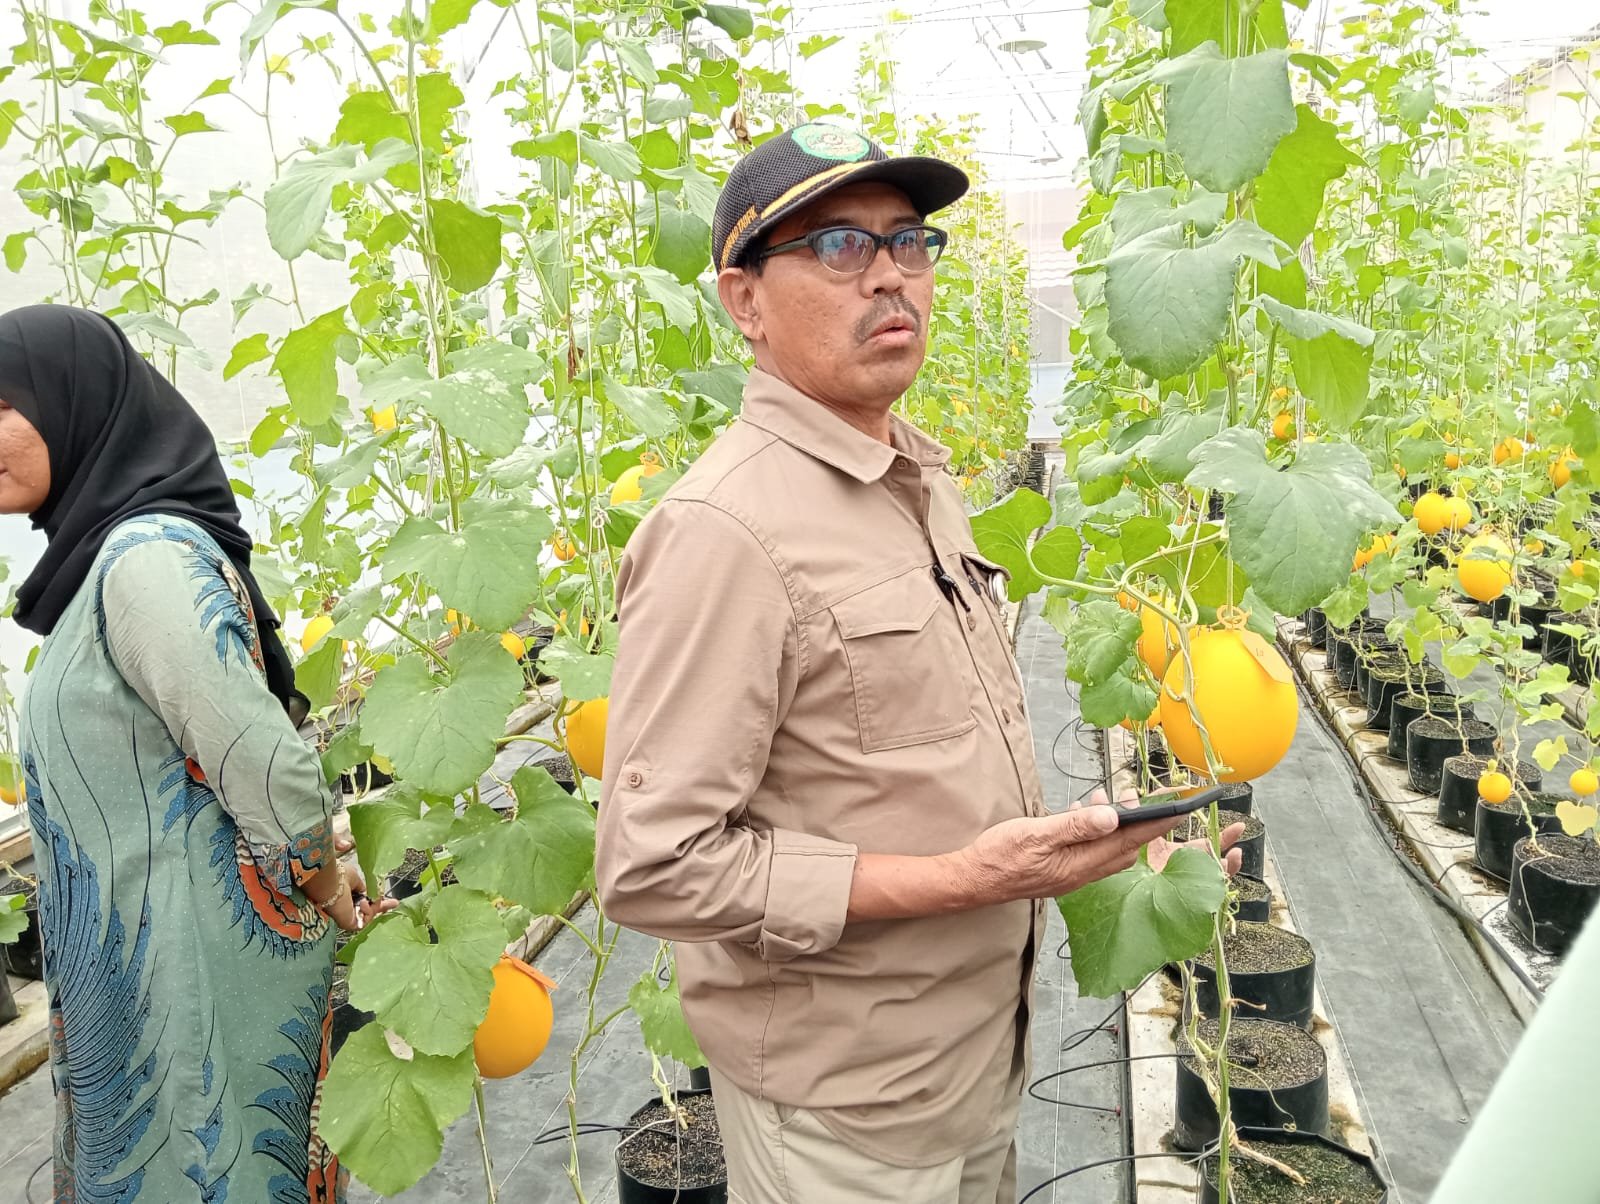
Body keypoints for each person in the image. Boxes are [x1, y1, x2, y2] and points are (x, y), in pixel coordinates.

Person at [594, 124, 1243, 1204]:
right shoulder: (724, 531)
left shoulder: (914, 476)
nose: (892, 274)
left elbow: (898, 761)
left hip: (976, 1057)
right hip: (846, 1107)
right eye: (840, 246)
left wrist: (1086, 859)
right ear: (742, 301)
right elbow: (651, 863)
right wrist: (963, 880)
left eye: (909, 241)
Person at [0, 305, 385, 1203]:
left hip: (194, 989)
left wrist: (329, 887)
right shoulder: (106, 564)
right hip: (150, 982)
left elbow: (263, 761)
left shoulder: (145, 560)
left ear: (72, 400)